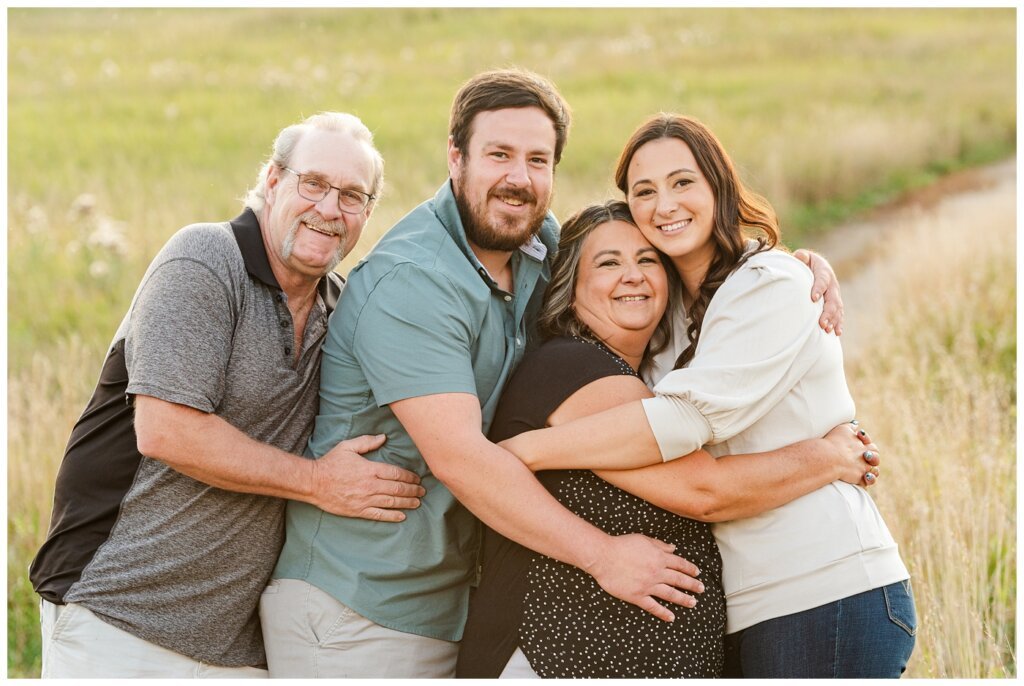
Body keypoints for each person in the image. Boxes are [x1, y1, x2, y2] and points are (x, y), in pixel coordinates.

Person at [261, 70, 849, 679]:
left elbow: (630, 266)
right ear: (455, 157)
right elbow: (462, 458)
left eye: (537, 159)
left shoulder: (538, 245)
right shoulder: (414, 281)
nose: (518, 177)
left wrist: (784, 269)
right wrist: (604, 557)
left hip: (448, 602)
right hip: (358, 605)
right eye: (499, 155)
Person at [499, 114, 917, 678]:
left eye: (682, 182)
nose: (664, 204)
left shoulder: (770, 285)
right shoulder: (670, 317)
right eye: (644, 191)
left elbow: (686, 420)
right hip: (752, 602)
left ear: (720, 187)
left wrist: (526, 452)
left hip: (822, 585)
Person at [28, 112, 426, 678]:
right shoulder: (206, 259)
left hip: (239, 647)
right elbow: (168, 429)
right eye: (312, 184)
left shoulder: (342, 305)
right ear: (272, 180)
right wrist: (319, 483)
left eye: (353, 196)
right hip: (115, 616)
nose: (330, 209)